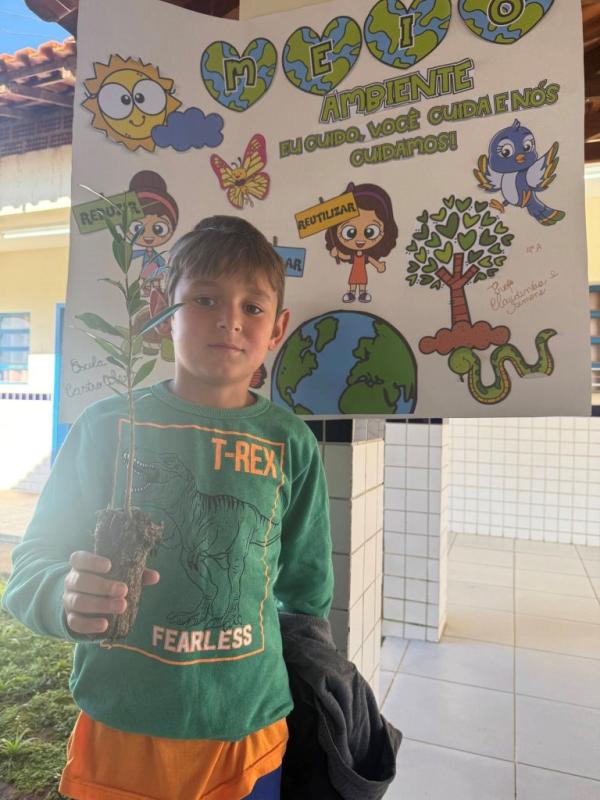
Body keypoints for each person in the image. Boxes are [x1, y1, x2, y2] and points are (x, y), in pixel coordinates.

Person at [3, 215, 334, 800]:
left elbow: (307, 596)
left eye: (253, 307)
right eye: (204, 299)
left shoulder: (292, 443)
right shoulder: (106, 427)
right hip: (121, 730)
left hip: (249, 733)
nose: (230, 320)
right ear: (161, 310)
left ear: (278, 328)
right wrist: (64, 597)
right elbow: (31, 566)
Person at [324, 182, 398, 304]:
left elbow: (371, 260)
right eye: (350, 232)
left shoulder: (366, 256)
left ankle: (362, 293)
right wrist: (336, 253)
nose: (360, 239)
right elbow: (345, 256)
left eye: (370, 232)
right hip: (355, 272)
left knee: (362, 281)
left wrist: (379, 265)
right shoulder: (354, 256)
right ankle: (352, 293)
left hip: (361, 273)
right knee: (353, 281)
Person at [128, 170, 179, 296]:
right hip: (147, 267)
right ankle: (146, 289)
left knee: (156, 278)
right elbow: (133, 254)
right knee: (146, 278)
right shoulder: (143, 252)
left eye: (158, 229)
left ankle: (157, 290)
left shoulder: (157, 255)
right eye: (138, 229)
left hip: (154, 267)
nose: (148, 236)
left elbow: (160, 259)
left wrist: (164, 266)